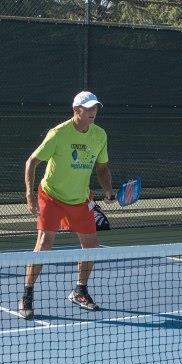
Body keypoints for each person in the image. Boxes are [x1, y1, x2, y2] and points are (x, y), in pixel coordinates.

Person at [20, 91, 114, 319]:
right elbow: (31, 162)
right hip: (51, 196)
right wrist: (30, 196)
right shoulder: (58, 134)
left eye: (95, 108)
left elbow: (102, 168)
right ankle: (27, 296)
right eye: (89, 108)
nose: (93, 112)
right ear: (76, 111)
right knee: (44, 245)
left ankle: (80, 291)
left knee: (91, 245)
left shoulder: (99, 135)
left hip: (79, 199)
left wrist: (108, 189)